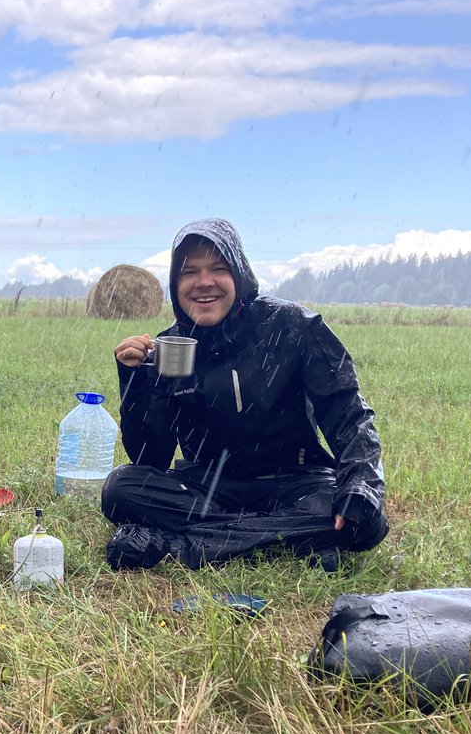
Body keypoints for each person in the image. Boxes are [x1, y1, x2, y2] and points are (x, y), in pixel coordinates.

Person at [101, 218, 388, 572]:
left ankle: (184, 544)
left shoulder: (295, 327)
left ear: (239, 274)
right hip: (208, 486)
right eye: (190, 272)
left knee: (363, 520)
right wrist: (135, 381)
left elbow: (349, 415)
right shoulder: (169, 347)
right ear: (176, 284)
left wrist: (361, 484)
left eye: (218, 269)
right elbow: (152, 458)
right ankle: (291, 538)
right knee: (120, 489)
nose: (204, 282)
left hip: (296, 482)